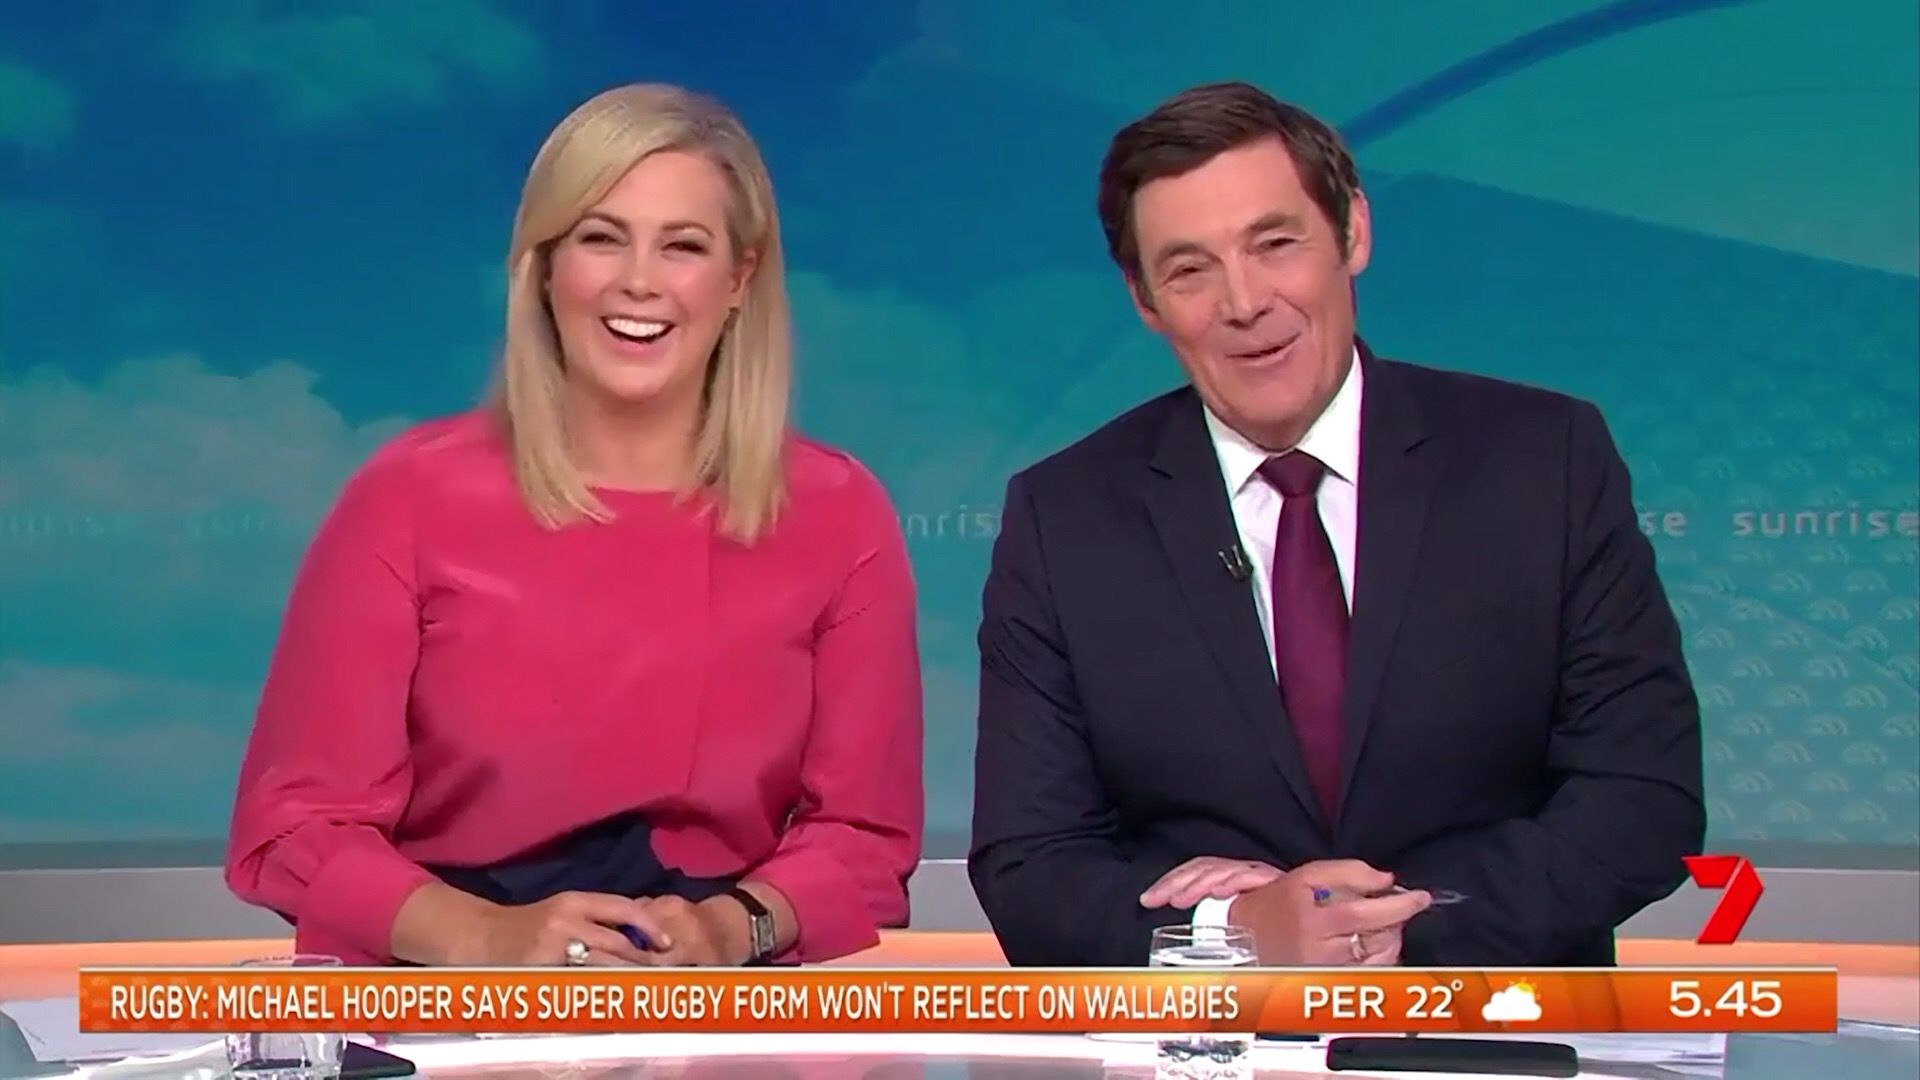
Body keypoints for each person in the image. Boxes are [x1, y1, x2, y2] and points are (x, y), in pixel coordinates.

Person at [969, 82, 1703, 967]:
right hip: (1204, 1033)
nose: (1244, 302)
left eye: (1274, 244)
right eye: (1191, 269)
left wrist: (1378, 928)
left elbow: (1642, 799)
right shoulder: (1065, 518)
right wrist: (1236, 932)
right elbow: (1030, 866)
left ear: (1352, 232)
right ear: (1144, 299)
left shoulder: (1544, 461)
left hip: (1489, 1017)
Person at [227, 84, 924, 968]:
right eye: (601, 237)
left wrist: (732, 926)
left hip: (715, 1002)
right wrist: (484, 937)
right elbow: (293, 828)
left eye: (683, 245)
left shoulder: (838, 511)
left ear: (739, 280)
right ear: (545, 267)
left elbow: (864, 835)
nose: (640, 281)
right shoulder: (407, 495)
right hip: (450, 994)